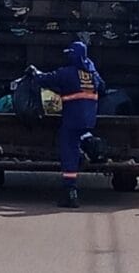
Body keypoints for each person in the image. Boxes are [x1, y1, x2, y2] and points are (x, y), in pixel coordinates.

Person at [27, 41, 105, 208]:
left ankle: (70, 192)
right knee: (80, 137)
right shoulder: (92, 74)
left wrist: (34, 73)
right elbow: (102, 87)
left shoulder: (67, 73)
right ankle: (90, 144)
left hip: (72, 119)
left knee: (68, 151)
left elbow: (45, 79)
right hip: (89, 119)